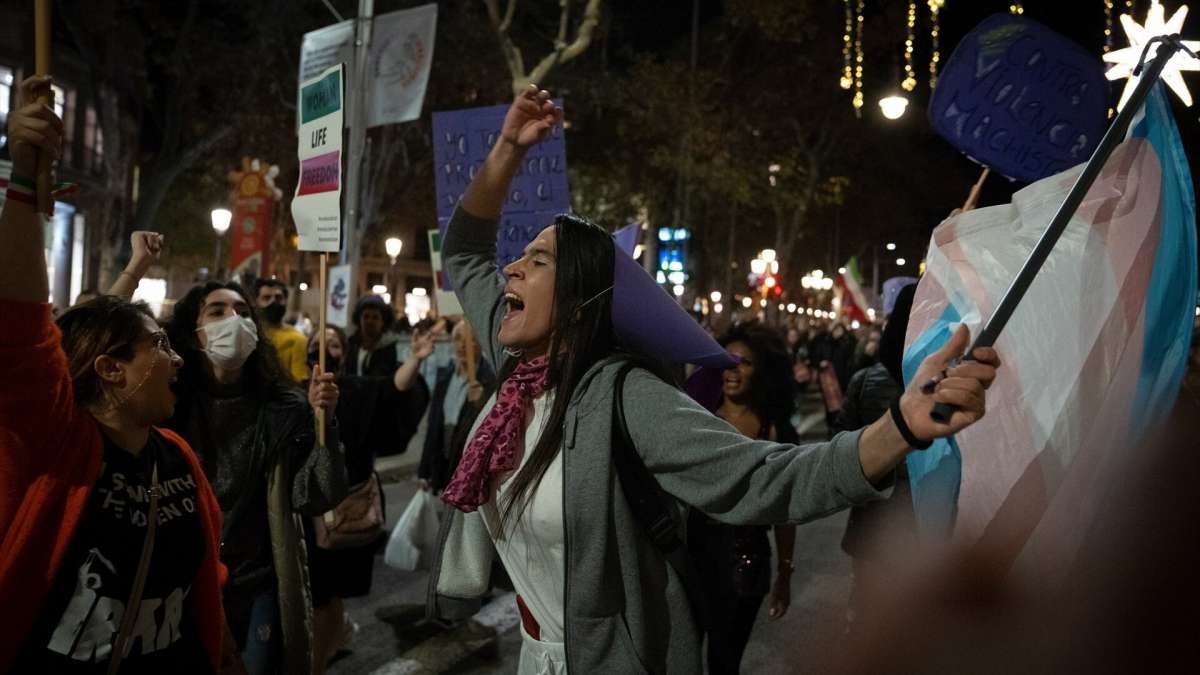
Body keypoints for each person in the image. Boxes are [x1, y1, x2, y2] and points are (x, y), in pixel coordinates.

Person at [427, 84, 1001, 674]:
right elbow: (464, 251)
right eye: (520, 257)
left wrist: (901, 426)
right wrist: (509, 147)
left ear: (579, 300)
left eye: (538, 260)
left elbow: (767, 478)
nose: (512, 268)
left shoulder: (626, 397)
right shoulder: (518, 369)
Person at [0, 76, 239, 673]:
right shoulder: (58, 445)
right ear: (107, 370)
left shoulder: (179, 459)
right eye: (160, 345)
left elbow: (205, 592)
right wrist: (24, 178)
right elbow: (27, 329)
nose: (178, 359)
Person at [161, 281, 347, 675]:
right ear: (193, 334)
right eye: (217, 311)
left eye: (244, 313)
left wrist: (325, 427)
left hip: (256, 583)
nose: (235, 320)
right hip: (184, 585)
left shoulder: (284, 408)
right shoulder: (168, 408)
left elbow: (318, 495)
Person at [303, 325, 429, 672]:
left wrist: (416, 358)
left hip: (350, 505)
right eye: (318, 344)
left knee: (329, 594)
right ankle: (332, 639)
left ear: (345, 353)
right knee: (319, 595)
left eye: (333, 344)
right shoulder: (296, 394)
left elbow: (394, 387)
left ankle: (320, 658)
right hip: (310, 512)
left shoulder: (360, 389)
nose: (325, 349)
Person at [686, 322, 801, 674]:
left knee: (724, 662)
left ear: (762, 371)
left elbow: (785, 507)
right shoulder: (694, 417)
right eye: (727, 361)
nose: (733, 370)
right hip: (693, 556)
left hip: (746, 563)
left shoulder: (776, 429)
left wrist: (785, 572)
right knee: (682, 658)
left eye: (745, 363)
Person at [834, 285, 919, 632]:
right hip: (929, 522)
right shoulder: (950, 384)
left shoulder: (864, 380)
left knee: (871, 619)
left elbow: (840, 445)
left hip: (873, 518)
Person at [418, 319, 495, 493]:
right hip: (442, 458)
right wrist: (424, 470)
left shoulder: (490, 381)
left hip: (467, 467)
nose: (462, 345)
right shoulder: (445, 376)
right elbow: (433, 425)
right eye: (458, 338)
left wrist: (481, 403)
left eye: (469, 339)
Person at [254, 278, 309, 384]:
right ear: (256, 302)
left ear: (286, 301)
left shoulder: (297, 339)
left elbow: (299, 382)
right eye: (266, 298)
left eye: (278, 297)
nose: (273, 301)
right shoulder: (249, 335)